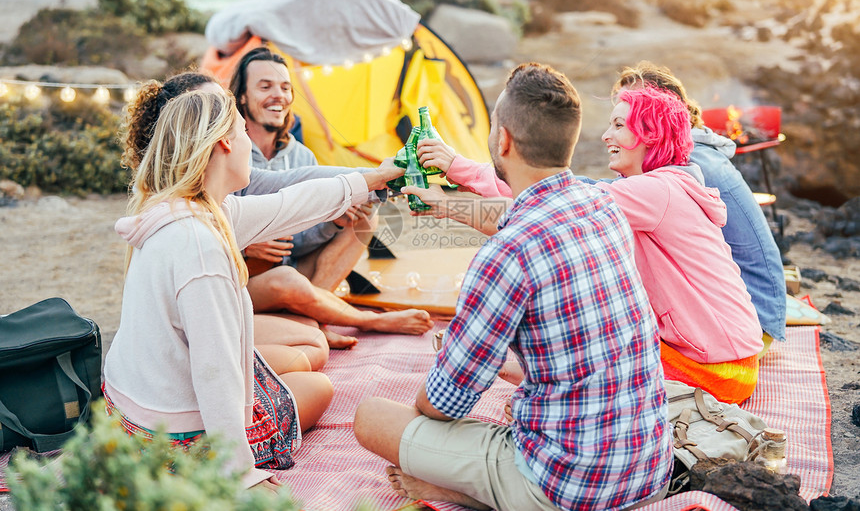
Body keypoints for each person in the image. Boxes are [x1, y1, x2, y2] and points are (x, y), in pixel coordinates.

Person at [353, 63, 673, 511]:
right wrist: (448, 206)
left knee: (371, 418)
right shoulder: (601, 202)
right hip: (648, 471)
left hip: (570, 490)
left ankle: (478, 492)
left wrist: (454, 364)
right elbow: (525, 213)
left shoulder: (505, 256)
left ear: (503, 139)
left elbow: (445, 404)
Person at [104, 90, 402, 490]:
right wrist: (242, 475)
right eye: (243, 130)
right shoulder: (200, 247)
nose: (248, 141)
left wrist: (370, 180)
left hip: (130, 415)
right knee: (317, 387)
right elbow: (216, 372)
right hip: (169, 445)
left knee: (303, 358)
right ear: (225, 142)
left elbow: (290, 204)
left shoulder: (188, 209)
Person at [418, 62, 787, 351]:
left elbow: (552, 197)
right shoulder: (675, 172)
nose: (606, 134)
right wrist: (457, 187)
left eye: (622, 120)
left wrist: (456, 178)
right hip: (725, 327)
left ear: (653, 125)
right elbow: (551, 199)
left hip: (738, 332)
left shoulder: (667, 185)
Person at [228, 48, 433, 345]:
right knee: (286, 281)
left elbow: (297, 243)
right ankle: (367, 321)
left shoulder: (301, 154)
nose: (279, 95)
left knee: (364, 220)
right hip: (248, 280)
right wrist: (245, 247)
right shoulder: (231, 154)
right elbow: (212, 222)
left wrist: (333, 222)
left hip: (294, 269)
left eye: (285, 87)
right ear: (242, 97)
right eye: (265, 86)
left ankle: (314, 320)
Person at [612, 62, 786, 351]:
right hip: (744, 316)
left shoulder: (689, 160)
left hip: (751, 320)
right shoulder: (687, 150)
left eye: (631, 108)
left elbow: (608, 200)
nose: (622, 111)